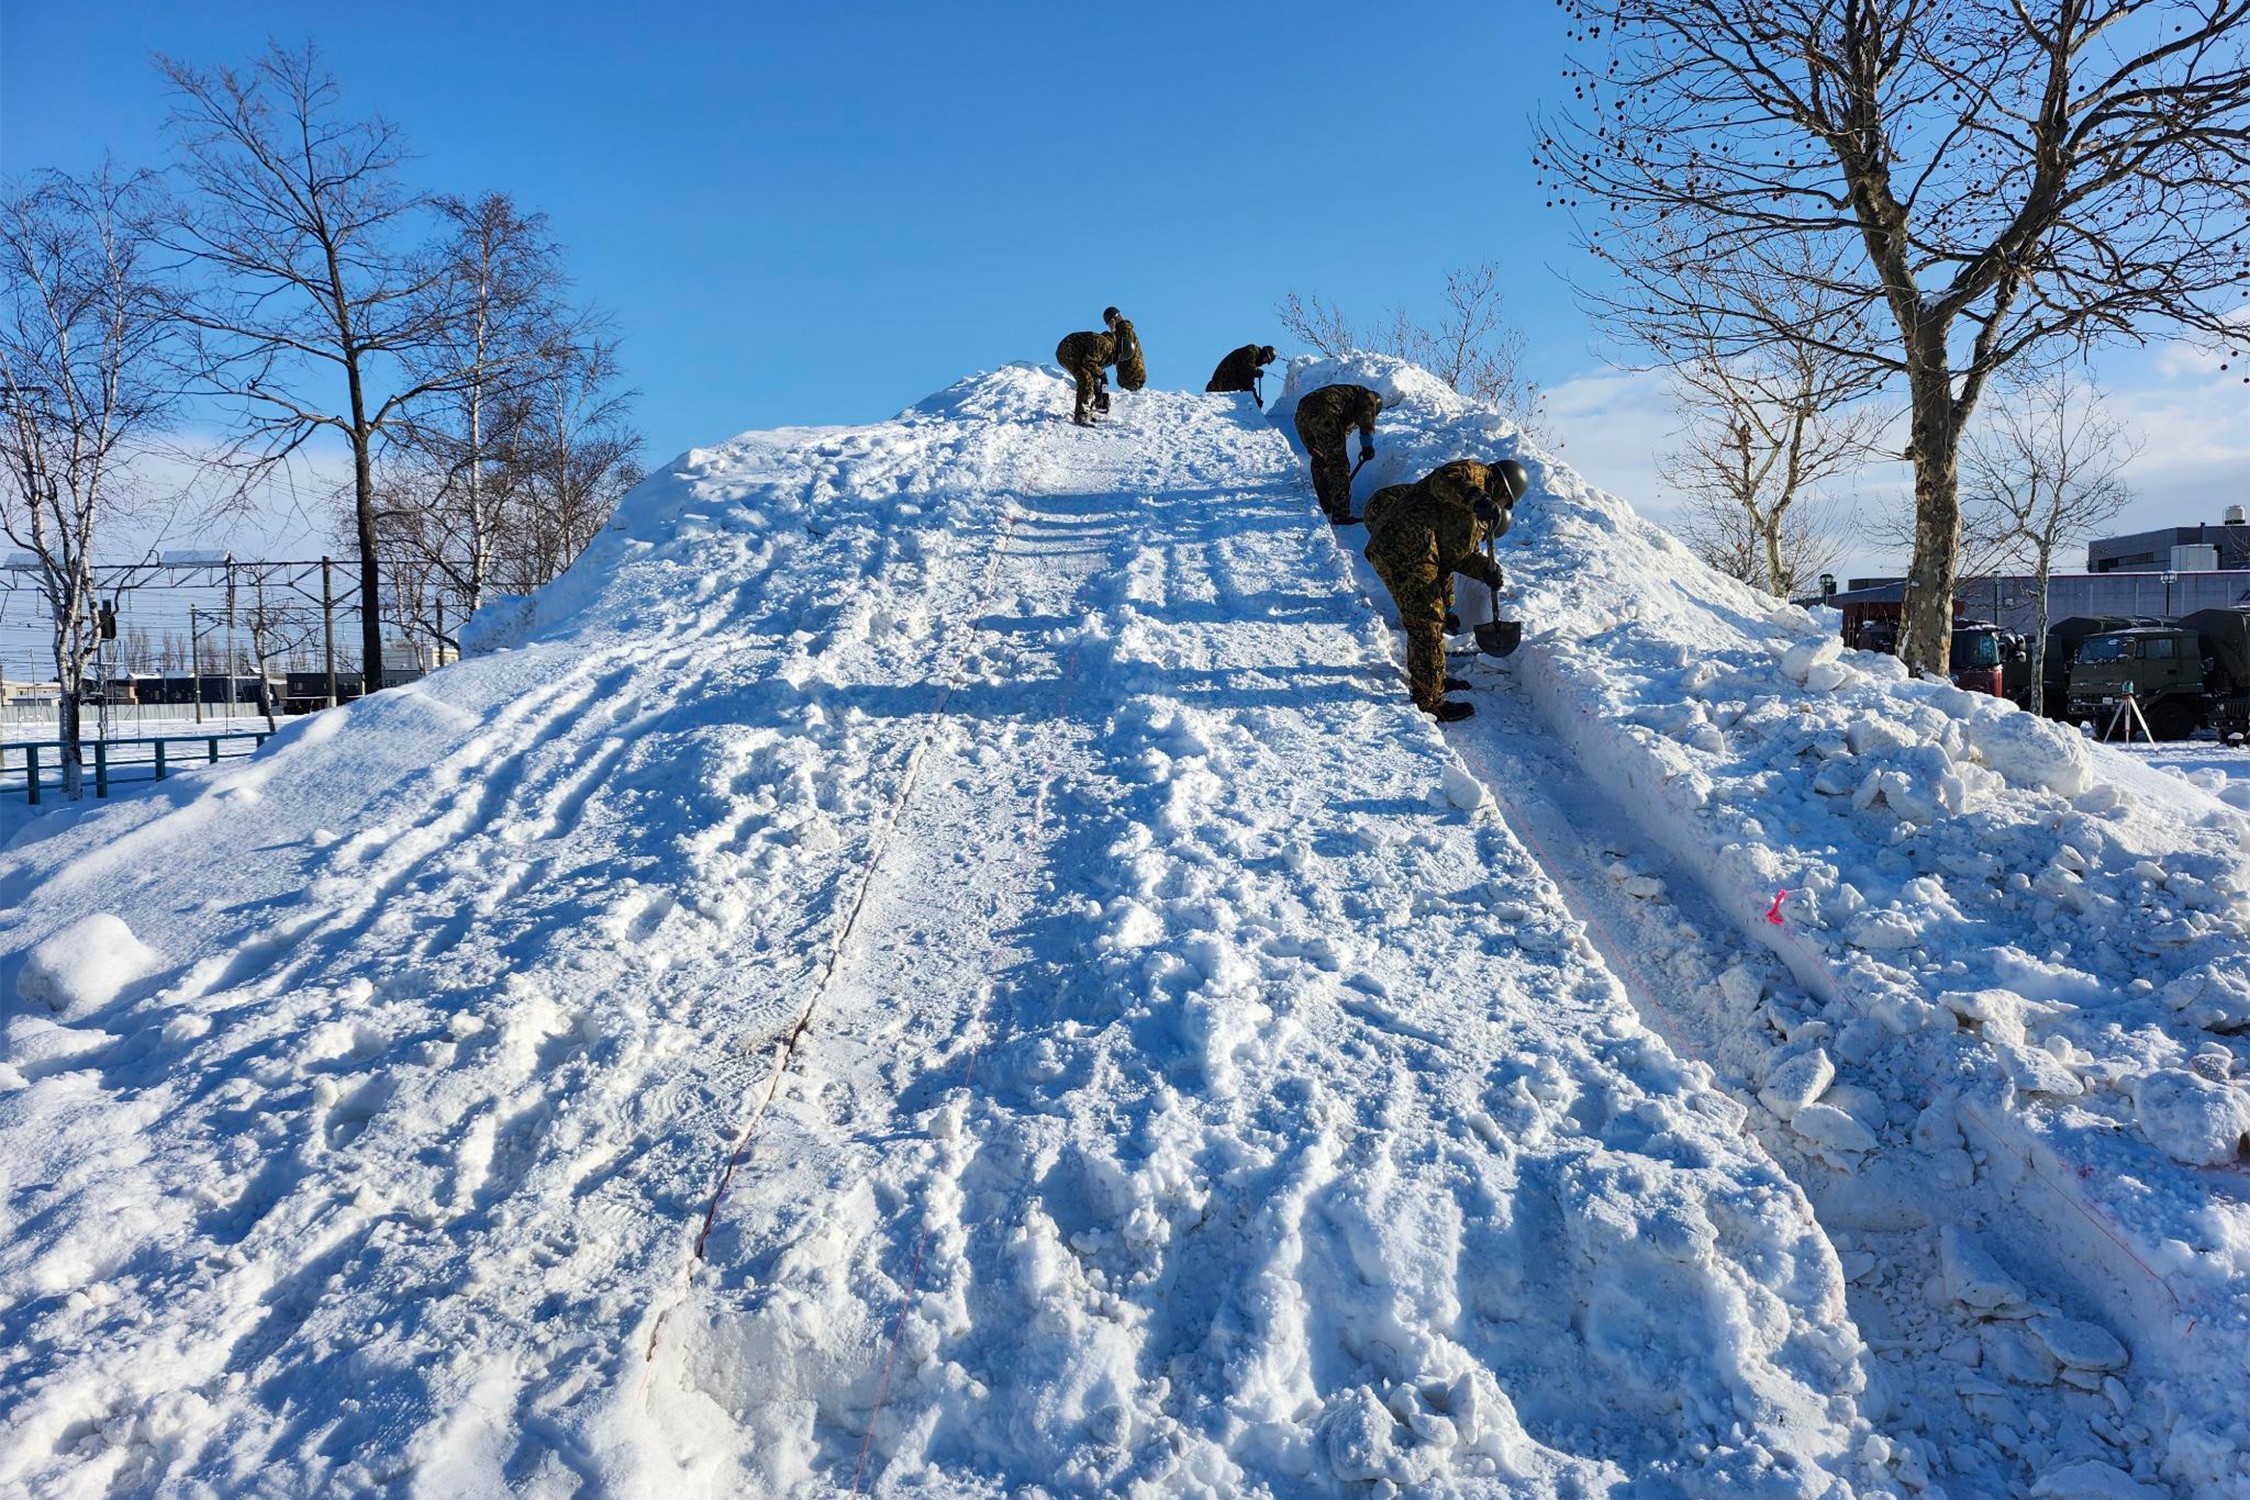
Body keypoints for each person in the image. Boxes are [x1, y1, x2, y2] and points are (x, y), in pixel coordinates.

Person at [1363, 458, 1529, 722]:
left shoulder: (1476, 519)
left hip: (1419, 551)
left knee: (1434, 617)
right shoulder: (1473, 474)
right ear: (1502, 488)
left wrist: (1485, 569)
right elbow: (1444, 480)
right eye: (1506, 502)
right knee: (1426, 620)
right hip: (1403, 545)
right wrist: (1477, 499)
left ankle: (1434, 677)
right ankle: (1430, 701)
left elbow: (1456, 557)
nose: (1503, 507)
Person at [1292, 383, 1382, 524]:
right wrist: (1367, 447)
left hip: (1302, 415)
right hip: (1325, 414)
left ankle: (1325, 503)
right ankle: (1341, 513)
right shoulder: (1368, 397)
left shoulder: (1347, 395)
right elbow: (1366, 422)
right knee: (1338, 464)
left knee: (1320, 457)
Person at [1207, 344, 1278, 402]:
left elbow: (1247, 382)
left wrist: (1255, 399)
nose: (1264, 363)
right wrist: (1255, 371)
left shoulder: (1252, 361)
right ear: (1264, 354)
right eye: (1266, 360)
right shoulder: (1251, 351)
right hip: (1221, 383)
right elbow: (1246, 373)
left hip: (1223, 383)